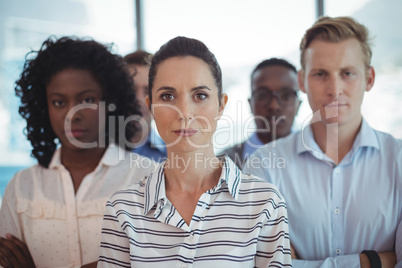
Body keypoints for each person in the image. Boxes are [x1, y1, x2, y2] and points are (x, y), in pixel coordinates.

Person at [98, 36, 291, 267]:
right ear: (151, 106)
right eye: (168, 96)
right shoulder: (122, 208)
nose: (185, 112)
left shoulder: (265, 203)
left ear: (221, 105)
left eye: (200, 96)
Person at [244, 16, 402, 268]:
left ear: (369, 79)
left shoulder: (399, 161)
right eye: (320, 74)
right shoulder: (264, 167)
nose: (335, 88)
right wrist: (373, 262)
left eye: (347, 73)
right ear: (301, 81)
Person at [0, 36, 157, 267]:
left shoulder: (148, 178)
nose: (73, 114)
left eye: (87, 99)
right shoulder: (22, 186)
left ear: (111, 101)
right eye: (58, 102)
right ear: (43, 106)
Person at [222, 58, 301, 168]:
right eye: (263, 95)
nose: (274, 105)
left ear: (298, 105)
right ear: (250, 104)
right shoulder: (222, 166)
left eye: (286, 95)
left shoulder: (319, 159)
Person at [124, 50, 167, 162]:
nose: (139, 100)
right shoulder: (94, 152)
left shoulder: (171, 158)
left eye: (147, 91)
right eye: (130, 90)